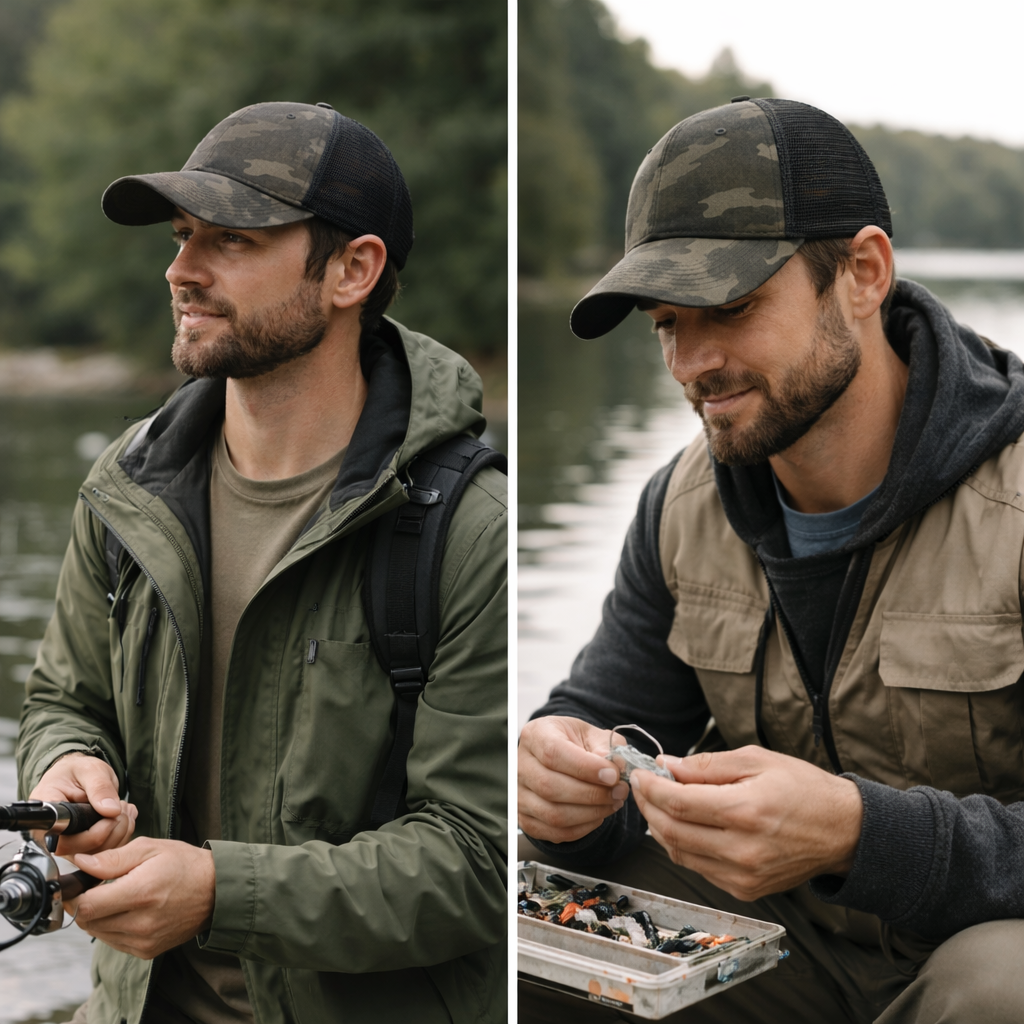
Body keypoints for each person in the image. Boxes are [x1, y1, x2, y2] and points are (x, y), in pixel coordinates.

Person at [518, 97, 1024, 1023]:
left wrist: (859, 835)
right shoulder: (680, 504)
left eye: (732, 307)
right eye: (666, 321)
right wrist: (562, 783)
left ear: (863, 274)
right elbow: (605, 716)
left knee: (1002, 987)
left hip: (982, 956)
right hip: (791, 954)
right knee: (537, 911)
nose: (690, 362)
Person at [16, 101, 507, 1024]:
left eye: (232, 239)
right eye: (182, 236)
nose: (181, 271)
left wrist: (216, 895)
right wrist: (67, 766)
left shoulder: (473, 533)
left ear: (354, 270)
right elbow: (62, 701)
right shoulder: (124, 487)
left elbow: (478, 862)